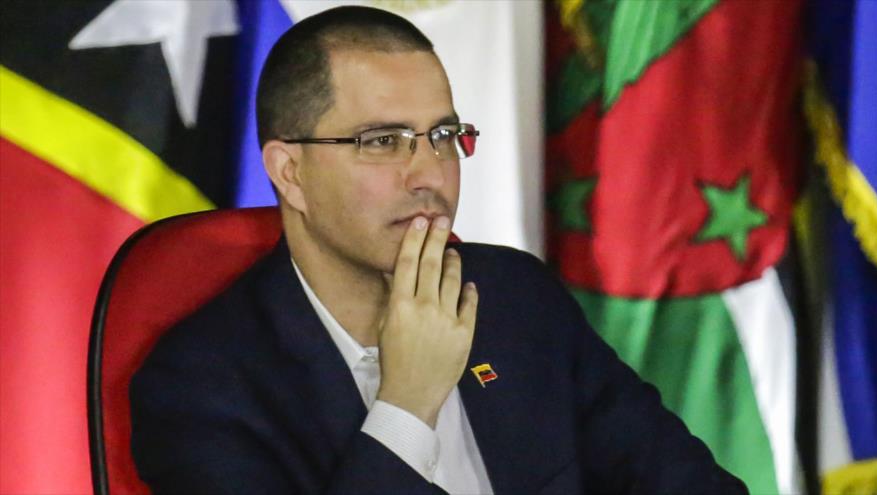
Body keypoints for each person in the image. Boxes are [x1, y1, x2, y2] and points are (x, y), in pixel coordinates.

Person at [130, 6, 746, 494]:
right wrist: (407, 404)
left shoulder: (516, 298)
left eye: (444, 135)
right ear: (289, 173)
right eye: (383, 140)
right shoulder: (200, 386)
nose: (430, 173)